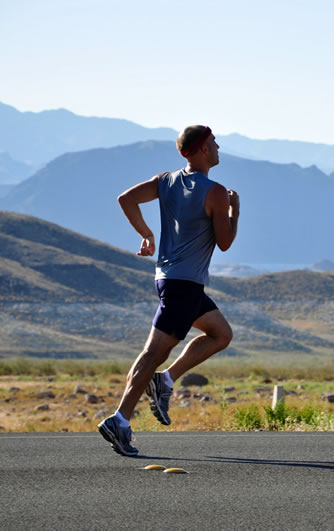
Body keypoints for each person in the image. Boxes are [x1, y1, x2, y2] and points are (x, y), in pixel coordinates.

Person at [98, 125, 239, 456]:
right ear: (203, 149)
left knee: (221, 334)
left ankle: (165, 380)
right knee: (152, 353)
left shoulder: (166, 180)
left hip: (170, 279)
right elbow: (225, 242)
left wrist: (146, 234)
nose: (219, 148)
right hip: (184, 285)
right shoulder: (216, 192)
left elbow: (126, 199)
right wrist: (235, 210)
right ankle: (119, 420)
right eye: (215, 144)